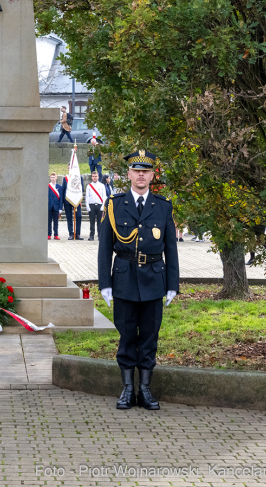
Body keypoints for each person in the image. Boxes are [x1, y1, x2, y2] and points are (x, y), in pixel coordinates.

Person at [97, 149, 179, 411]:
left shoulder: (163, 206)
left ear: (152, 175)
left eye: (146, 171)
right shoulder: (114, 204)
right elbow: (104, 248)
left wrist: (172, 284)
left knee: (149, 337)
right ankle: (127, 389)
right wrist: (105, 283)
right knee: (127, 335)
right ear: (128, 174)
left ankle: (144, 389)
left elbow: (171, 249)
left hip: (154, 279)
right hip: (124, 279)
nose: (141, 175)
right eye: (136, 171)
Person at [59, 172, 82, 240]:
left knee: (78, 216)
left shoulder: (79, 178)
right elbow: (63, 190)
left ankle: (77, 234)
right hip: (67, 200)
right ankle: (71, 234)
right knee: (69, 217)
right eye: (69, 168)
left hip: (76, 199)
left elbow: (82, 188)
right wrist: (62, 202)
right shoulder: (65, 179)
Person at [85, 170, 107, 241]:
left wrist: (103, 206)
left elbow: (104, 196)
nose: (94, 178)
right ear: (91, 177)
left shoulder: (102, 185)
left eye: (96, 176)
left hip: (99, 205)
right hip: (92, 205)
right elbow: (87, 197)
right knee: (92, 222)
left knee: (100, 222)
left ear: (98, 177)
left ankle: (100, 235)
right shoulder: (89, 186)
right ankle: (91, 235)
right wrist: (87, 206)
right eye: (93, 176)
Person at [48, 172, 63, 239]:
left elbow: (61, 198)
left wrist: (60, 208)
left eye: (54, 177)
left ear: (56, 178)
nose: (53, 179)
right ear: (50, 178)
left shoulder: (60, 187)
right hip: (49, 206)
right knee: (49, 221)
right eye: (51, 177)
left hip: (56, 207)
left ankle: (56, 234)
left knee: (56, 222)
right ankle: (49, 234)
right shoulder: (48, 186)